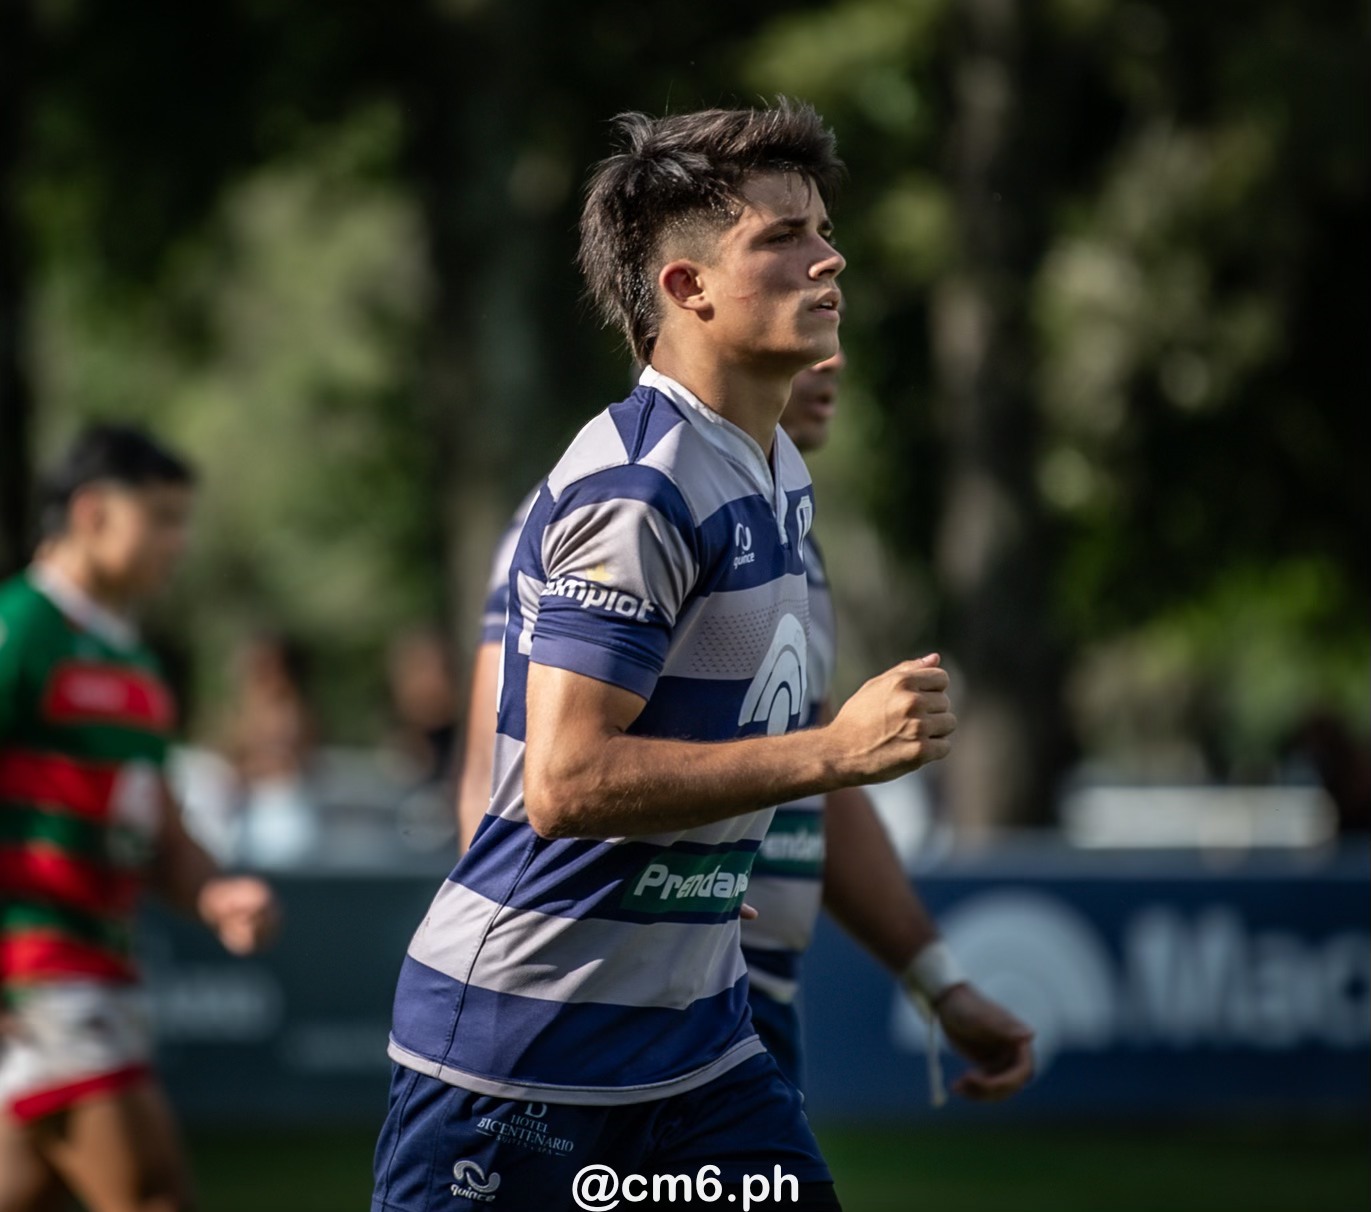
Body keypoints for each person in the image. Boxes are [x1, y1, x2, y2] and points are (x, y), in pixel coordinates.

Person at [374, 99, 954, 1212]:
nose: (829, 256)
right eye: (781, 238)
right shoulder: (642, 486)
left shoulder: (771, 472)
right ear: (687, 289)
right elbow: (568, 781)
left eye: (823, 228)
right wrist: (831, 752)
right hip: (518, 1061)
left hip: (696, 1054)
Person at [459, 352, 1034, 1101]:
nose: (830, 360)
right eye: (798, 318)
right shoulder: (617, 506)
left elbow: (820, 787)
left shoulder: (794, 532)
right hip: (612, 995)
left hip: (738, 997)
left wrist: (937, 981)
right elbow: (502, 781)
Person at [0, 425, 279, 1212]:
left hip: (104, 971)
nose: (177, 542)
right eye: (161, 518)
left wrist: (213, 894)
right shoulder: (20, 630)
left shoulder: (134, 665)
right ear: (90, 513)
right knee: (154, 1195)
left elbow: (161, 831)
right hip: (42, 979)